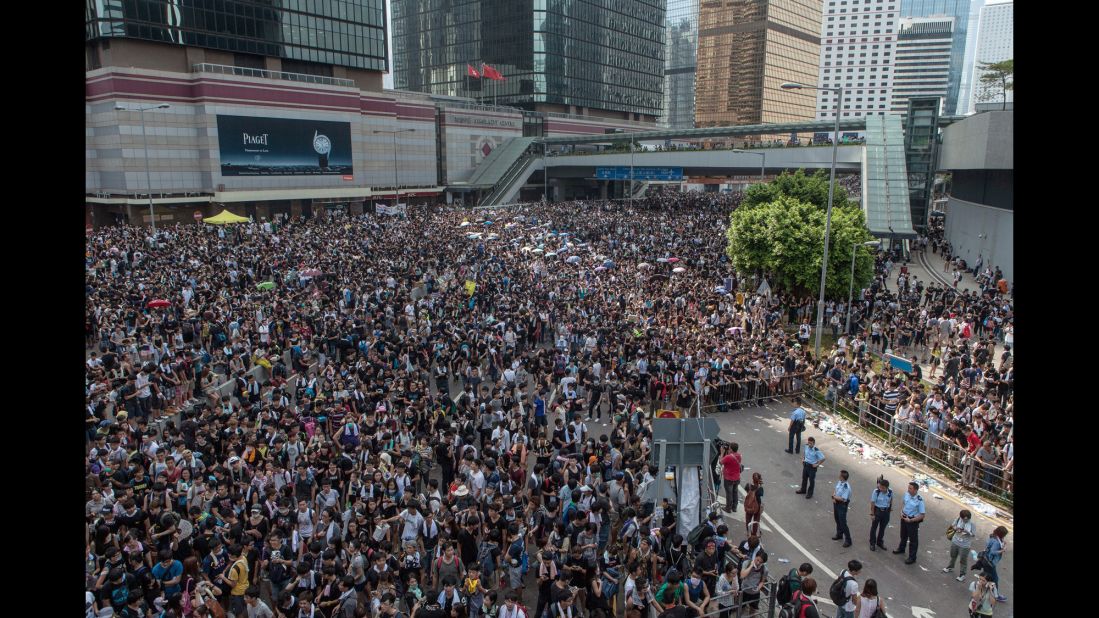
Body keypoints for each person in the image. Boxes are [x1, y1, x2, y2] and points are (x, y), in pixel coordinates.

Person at [892, 482, 925, 564]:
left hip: (912, 521)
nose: (908, 489)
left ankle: (912, 557)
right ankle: (901, 549)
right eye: (908, 488)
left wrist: (911, 520)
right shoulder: (907, 494)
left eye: (910, 488)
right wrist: (901, 511)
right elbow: (904, 503)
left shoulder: (919, 500)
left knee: (913, 540)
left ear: (915, 490)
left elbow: (922, 515)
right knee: (903, 535)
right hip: (904, 517)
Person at [943, 509, 977, 581]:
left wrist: (968, 532)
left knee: (963, 560)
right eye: (964, 519)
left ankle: (962, 574)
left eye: (967, 520)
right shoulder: (958, 519)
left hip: (965, 545)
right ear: (961, 517)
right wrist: (956, 528)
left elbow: (973, 534)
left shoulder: (972, 524)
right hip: (955, 541)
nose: (965, 521)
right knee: (953, 555)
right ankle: (950, 567)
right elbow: (953, 526)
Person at [983, 526, 1009, 602]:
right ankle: (996, 595)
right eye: (1004, 535)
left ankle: (985, 588)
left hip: (985, 559)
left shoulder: (992, 536)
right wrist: (1002, 550)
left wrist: (1003, 543)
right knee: (995, 579)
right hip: (990, 562)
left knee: (987, 576)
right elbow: (993, 551)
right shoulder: (997, 542)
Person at [868, 478, 892, 552]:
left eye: (882, 487)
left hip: (886, 512)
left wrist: (890, 508)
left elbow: (891, 499)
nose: (880, 488)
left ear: (886, 487)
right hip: (877, 511)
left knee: (882, 528)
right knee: (874, 527)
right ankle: (872, 543)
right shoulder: (876, 492)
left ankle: (879, 542)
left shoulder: (890, 491)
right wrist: (872, 514)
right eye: (880, 487)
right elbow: (872, 503)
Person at [831, 470, 852, 547]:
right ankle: (839, 534)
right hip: (836, 503)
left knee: (843, 523)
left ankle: (848, 540)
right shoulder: (840, 482)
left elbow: (843, 499)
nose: (838, 476)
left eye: (840, 475)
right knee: (837, 519)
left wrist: (834, 497)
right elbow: (836, 490)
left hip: (842, 505)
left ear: (843, 477)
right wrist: (834, 496)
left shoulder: (846, 487)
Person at [719, 443, 742, 513]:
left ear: (731, 449)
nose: (728, 449)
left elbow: (720, 462)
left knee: (729, 494)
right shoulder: (739, 456)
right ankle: (734, 507)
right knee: (735, 492)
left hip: (729, 478)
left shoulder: (728, 457)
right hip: (737, 478)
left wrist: (722, 453)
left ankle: (728, 508)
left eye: (729, 448)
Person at [743, 473, 764, 538]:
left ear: (752, 479)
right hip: (756, 507)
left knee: (748, 520)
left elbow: (747, 491)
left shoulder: (748, 485)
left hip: (749, 505)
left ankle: (748, 532)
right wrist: (760, 485)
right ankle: (754, 534)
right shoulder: (760, 489)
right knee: (756, 520)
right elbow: (761, 497)